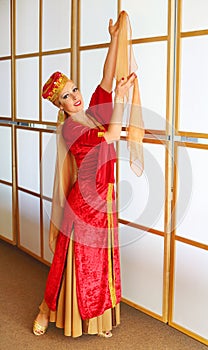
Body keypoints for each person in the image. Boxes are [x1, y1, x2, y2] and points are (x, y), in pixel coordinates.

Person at [33, 11, 137, 338]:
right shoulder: (70, 128)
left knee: (101, 262)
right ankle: (48, 308)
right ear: (60, 106)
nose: (75, 96)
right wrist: (120, 101)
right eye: (67, 96)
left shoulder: (91, 111)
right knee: (75, 260)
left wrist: (114, 40)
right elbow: (111, 135)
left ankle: (97, 318)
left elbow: (106, 78)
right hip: (85, 202)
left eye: (74, 89)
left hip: (105, 196)